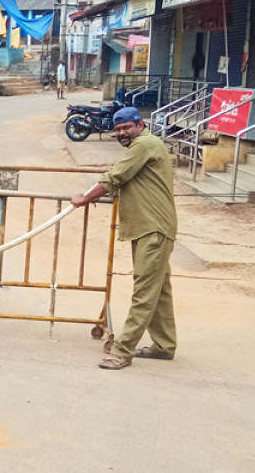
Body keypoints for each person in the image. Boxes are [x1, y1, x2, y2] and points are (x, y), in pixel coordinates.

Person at [70, 107, 178, 370]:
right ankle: (164, 345)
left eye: (127, 127)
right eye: (118, 130)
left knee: (144, 292)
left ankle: (122, 352)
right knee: (159, 290)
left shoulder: (145, 144)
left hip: (153, 229)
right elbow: (124, 179)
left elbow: (116, 175)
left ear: (140, 124)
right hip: (147, 227)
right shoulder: (144, 147)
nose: (122, 133)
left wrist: (86, 197)